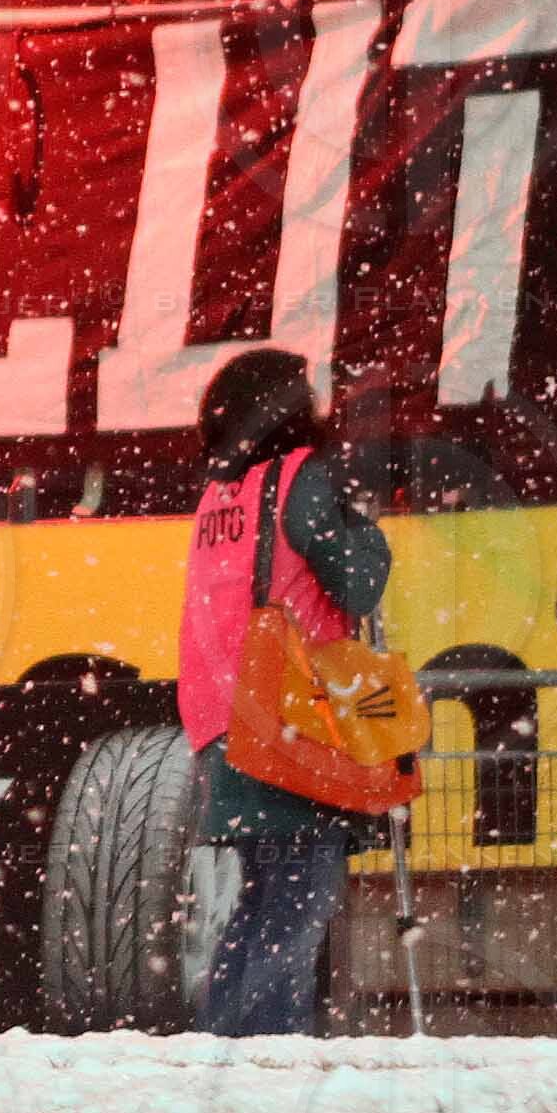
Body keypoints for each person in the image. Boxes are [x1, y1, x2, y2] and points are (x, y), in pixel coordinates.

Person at [178, 349, 394, 1037]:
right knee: (297, 901)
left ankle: (228, 1049)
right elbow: (358, 583)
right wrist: (366, 529)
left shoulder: (221, 493)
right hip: (291, 717)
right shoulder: (300, 478)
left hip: (225, 718)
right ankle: (270, 1054)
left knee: (263, 898)